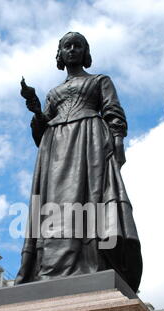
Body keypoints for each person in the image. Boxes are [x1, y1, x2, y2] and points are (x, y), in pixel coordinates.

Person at [17, 32, 142, 292]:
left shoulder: (100, 81)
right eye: (67, 46)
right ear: (60, 54)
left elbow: (113, 112)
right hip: (55, 147)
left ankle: (92, 258)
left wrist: (117, 141)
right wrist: (37, 109)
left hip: (90, 140)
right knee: (54, 203)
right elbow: (40, 133)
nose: (72, 50)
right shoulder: (54, 92)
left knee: (89, 197)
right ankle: (48, 265)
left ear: (85, 52)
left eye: (78, 46)